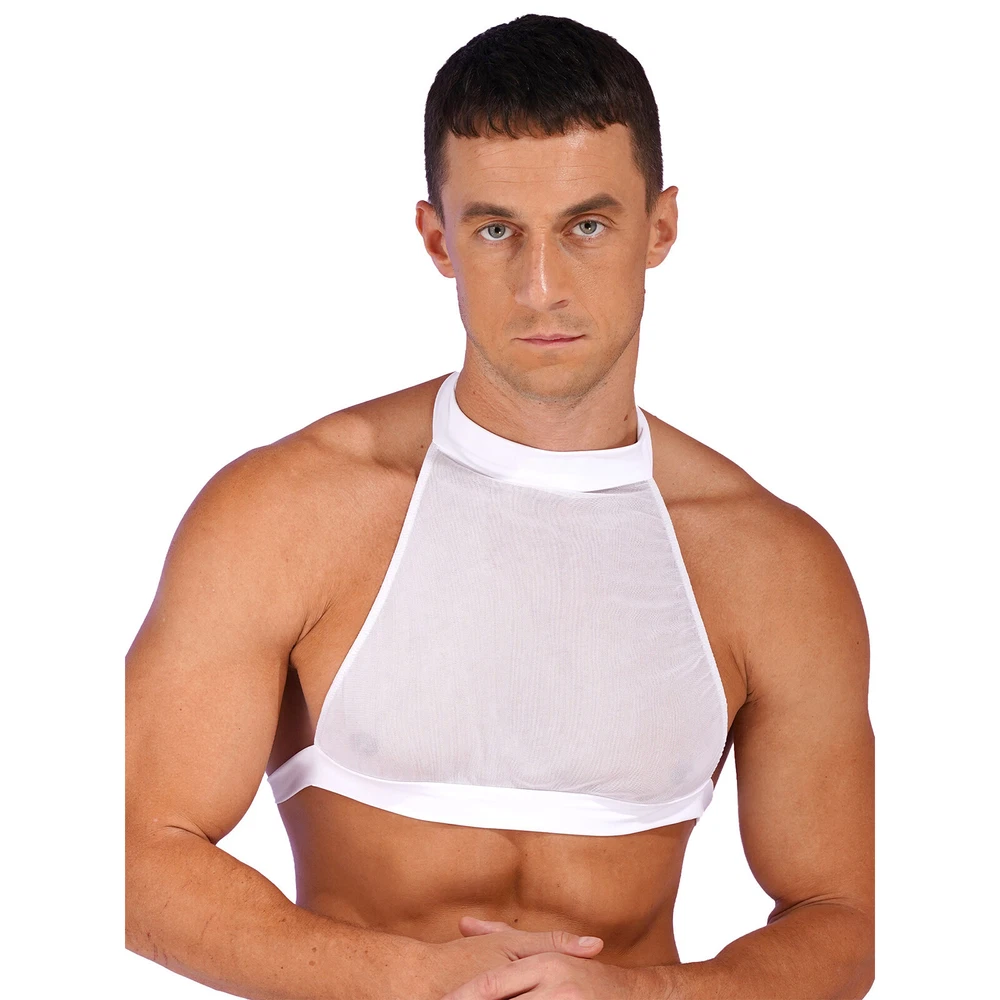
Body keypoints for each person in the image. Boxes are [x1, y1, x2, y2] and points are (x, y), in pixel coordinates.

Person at [125, 13, 874, 1000]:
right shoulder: (284, 515)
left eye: (586, 226)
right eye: (495, 230)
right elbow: (130, 855)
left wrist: (647, 996)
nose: (541, 288)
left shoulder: (770, 562)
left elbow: (841, 921)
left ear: (661, 227)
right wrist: (416, 982)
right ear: (437, 238)